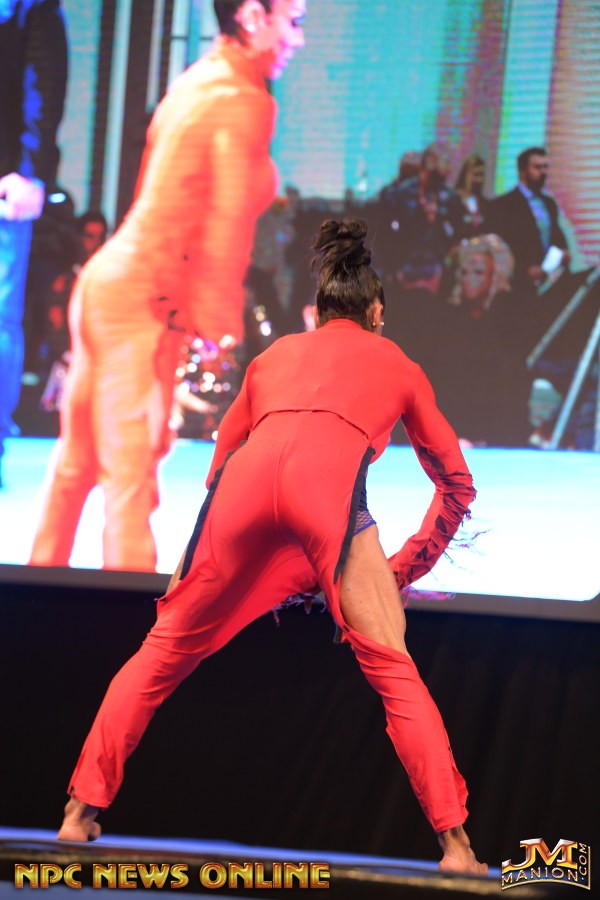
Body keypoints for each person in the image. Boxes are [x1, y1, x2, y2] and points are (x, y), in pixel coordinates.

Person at [57, 219, 487, 876]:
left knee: (161, 651)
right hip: (327, 496)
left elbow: (221, 464)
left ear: (319, 311)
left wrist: (195, 564)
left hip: (243, 491)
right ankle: (457, 848)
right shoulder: (399, 363)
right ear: (376, 312)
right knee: (393, 669)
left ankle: (76, 813)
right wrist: (403, 568)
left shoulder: (274, 356)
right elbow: (456, 483)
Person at [29, 0, 306, 570]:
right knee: (130, 476)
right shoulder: (241, 98)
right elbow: (224, 230)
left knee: (79, 464)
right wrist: (219, 340)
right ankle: (127, 616)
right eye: (294, 21)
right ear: (252, 16)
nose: (298, 39)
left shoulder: (201, 79)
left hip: (115, 285)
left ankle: (34, 589)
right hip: (143, 299)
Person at [0, 0, 68, 487]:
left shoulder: (33, 8)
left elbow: (44, 80)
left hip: (7, 176)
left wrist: (30, 170)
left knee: (0, 315)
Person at [487, 147, 569, 295]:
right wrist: (524, 269)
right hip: (519, 285)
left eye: (545, 167)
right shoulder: (504, 205)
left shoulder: (549, 203)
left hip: (549, 281)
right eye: (537, 167)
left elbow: (554, 233)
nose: (543, 172)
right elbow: (499, 247)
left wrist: (564, 251)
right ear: (522, 171)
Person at [455, 154, 489, 238]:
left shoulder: (484, 203)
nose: (479, 180)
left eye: (482, 175)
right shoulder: (453, 199)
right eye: (476, 175)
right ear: (466, 174)